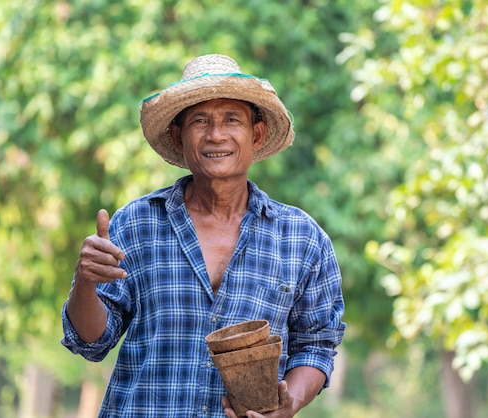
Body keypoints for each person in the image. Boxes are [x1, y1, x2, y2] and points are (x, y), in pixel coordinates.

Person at [61, 54, 345, 418]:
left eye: (232, 119)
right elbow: (91, 342)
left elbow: (316, 347)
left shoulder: (302, 239)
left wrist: (290, 402)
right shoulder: (136, 224)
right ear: (179, 137)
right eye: (200, 120)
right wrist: (84, 283)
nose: (216, 135)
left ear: (256, 134)